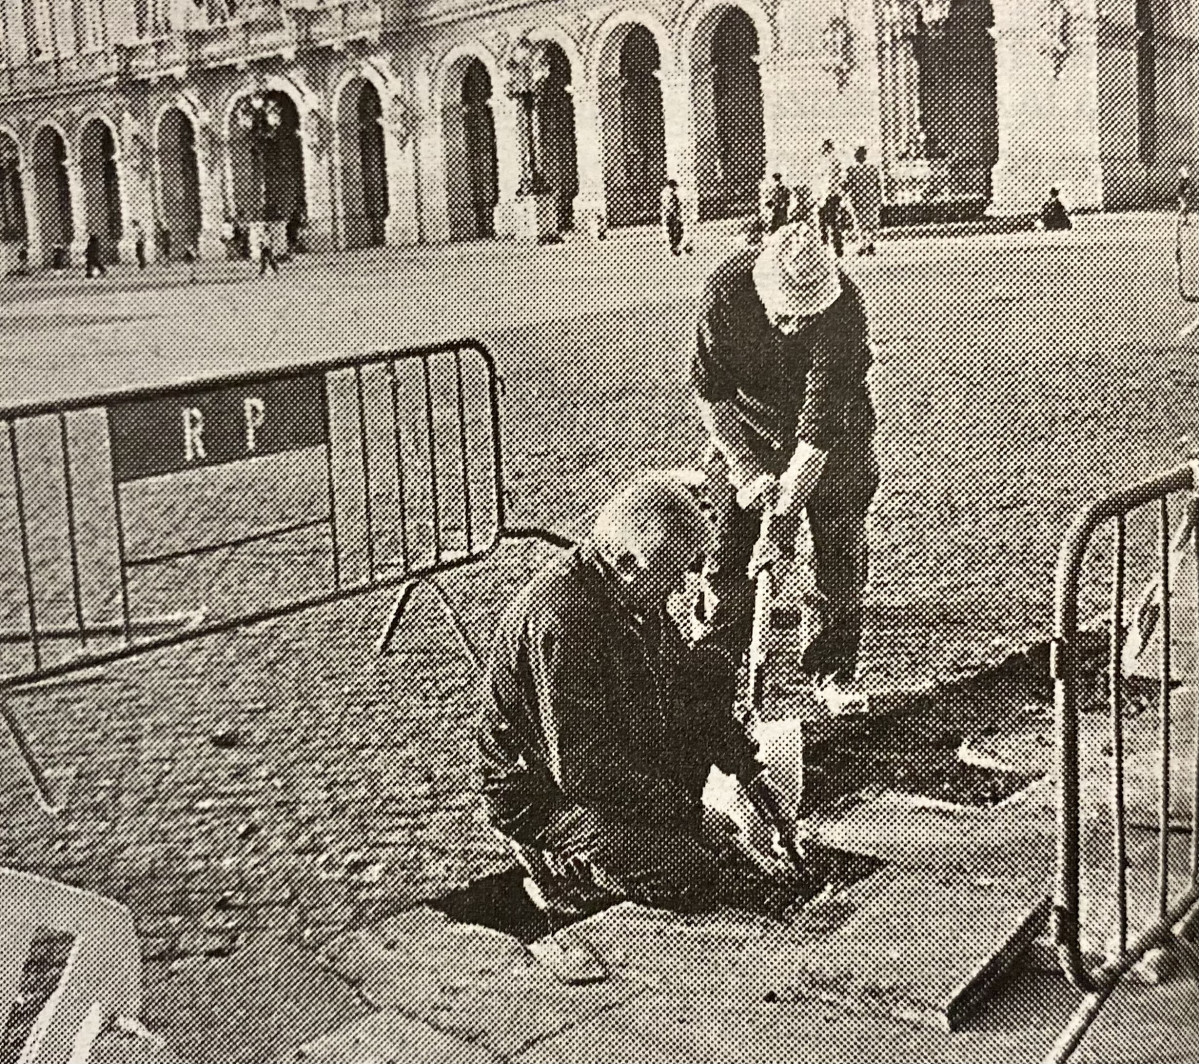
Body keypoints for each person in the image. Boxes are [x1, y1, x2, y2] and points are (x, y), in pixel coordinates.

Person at [478, 472, 809, 918]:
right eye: (670, 575)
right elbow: (583, 772)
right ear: (628, 561)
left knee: (706, 674)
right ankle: (564, 865)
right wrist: (686, 815)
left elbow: (687, 698)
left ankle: (653, 843)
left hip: (619, 754)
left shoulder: (629, 593)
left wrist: (750, 775)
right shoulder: (564, 618)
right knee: (689, 874)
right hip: (547, 794)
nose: (677, 590)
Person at [691, 205, 878, 702]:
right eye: (786, 312)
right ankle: (715, 676)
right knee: (728, 547)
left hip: (836, 437)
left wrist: (779, 527)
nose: (795, 325)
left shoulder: (844, 311)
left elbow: (815, 441)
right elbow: (713, 395)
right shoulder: (724, 295)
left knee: (838, 545)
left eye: (806, 313)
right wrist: (747, 472)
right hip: (745, 427)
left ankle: (832, 670)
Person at [843, 146, 882, 256]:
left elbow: (877, 185)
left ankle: (867, 244)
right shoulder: (856, 170)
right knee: (865, 224)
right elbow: (848, 186)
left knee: (865, 224)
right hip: (863, 201)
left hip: (865, 200)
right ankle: (866, 244)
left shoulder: (866, 169)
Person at [814, 140, 845, 258]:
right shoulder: (822, 163)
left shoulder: (833, 162)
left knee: (831, 223)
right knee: (826, 223)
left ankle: (834, 247)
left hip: (830, 196)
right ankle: (828, 246)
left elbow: (835, 180)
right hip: (825, 196)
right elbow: (819, 181)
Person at [660, 178, 685, 256]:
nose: (675, 189)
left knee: (678, 230)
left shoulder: (674, 194)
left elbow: (679, 205)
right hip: (671, 216)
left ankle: (676, 245)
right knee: (673, 231)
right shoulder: (667, 194)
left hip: (675, 215)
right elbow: (667, 206)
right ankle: (674, 246)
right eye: (674, 187)